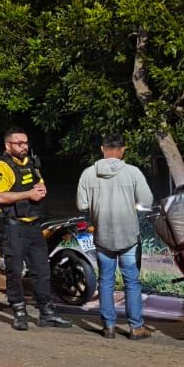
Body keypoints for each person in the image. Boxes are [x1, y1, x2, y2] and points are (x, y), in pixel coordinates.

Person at [0, 127, 69, 331]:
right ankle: (19, 312)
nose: (24, 147)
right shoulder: (0, 166)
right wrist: (28, 194)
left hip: (34, 225)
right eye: (19, 143)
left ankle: (46, 312)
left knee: (42, 270)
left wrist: (41, 190)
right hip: (13, 227)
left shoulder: (32, 163)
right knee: (14, 271)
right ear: (8, 145)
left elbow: (39, 185)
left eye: (25, 143)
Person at [77, 133, 155, 340]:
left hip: (103, 236)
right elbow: (147, 200)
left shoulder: (88, 174)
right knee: (131, 281)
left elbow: (81, 205)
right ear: (122, 150)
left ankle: (109, 326)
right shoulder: (133, 172)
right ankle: (136, 327)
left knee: (106, 281)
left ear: (102, 149)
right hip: (128, 236)